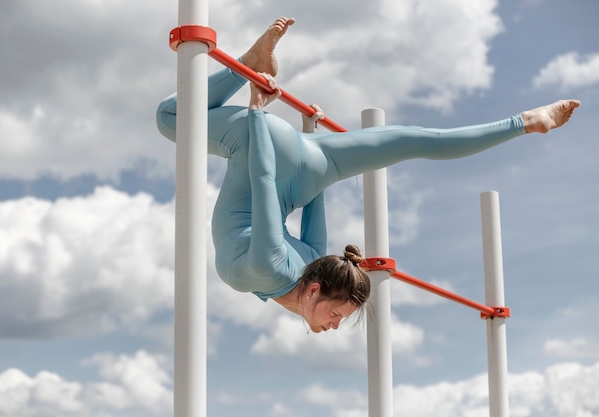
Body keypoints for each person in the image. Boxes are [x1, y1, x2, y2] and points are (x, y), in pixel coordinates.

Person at [156, 17, 580, 333]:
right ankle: (529, 120)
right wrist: (284, 125)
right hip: (275, 152)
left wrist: (258, 110)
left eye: (337, 315)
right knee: (172, 118)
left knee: (412, 140)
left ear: (316, 292)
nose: (335, 326)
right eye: (341, 317)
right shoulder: (298, 271)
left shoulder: (281, 268)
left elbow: (270, 190)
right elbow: (278, 197)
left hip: (285, 157)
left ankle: (524, 122)